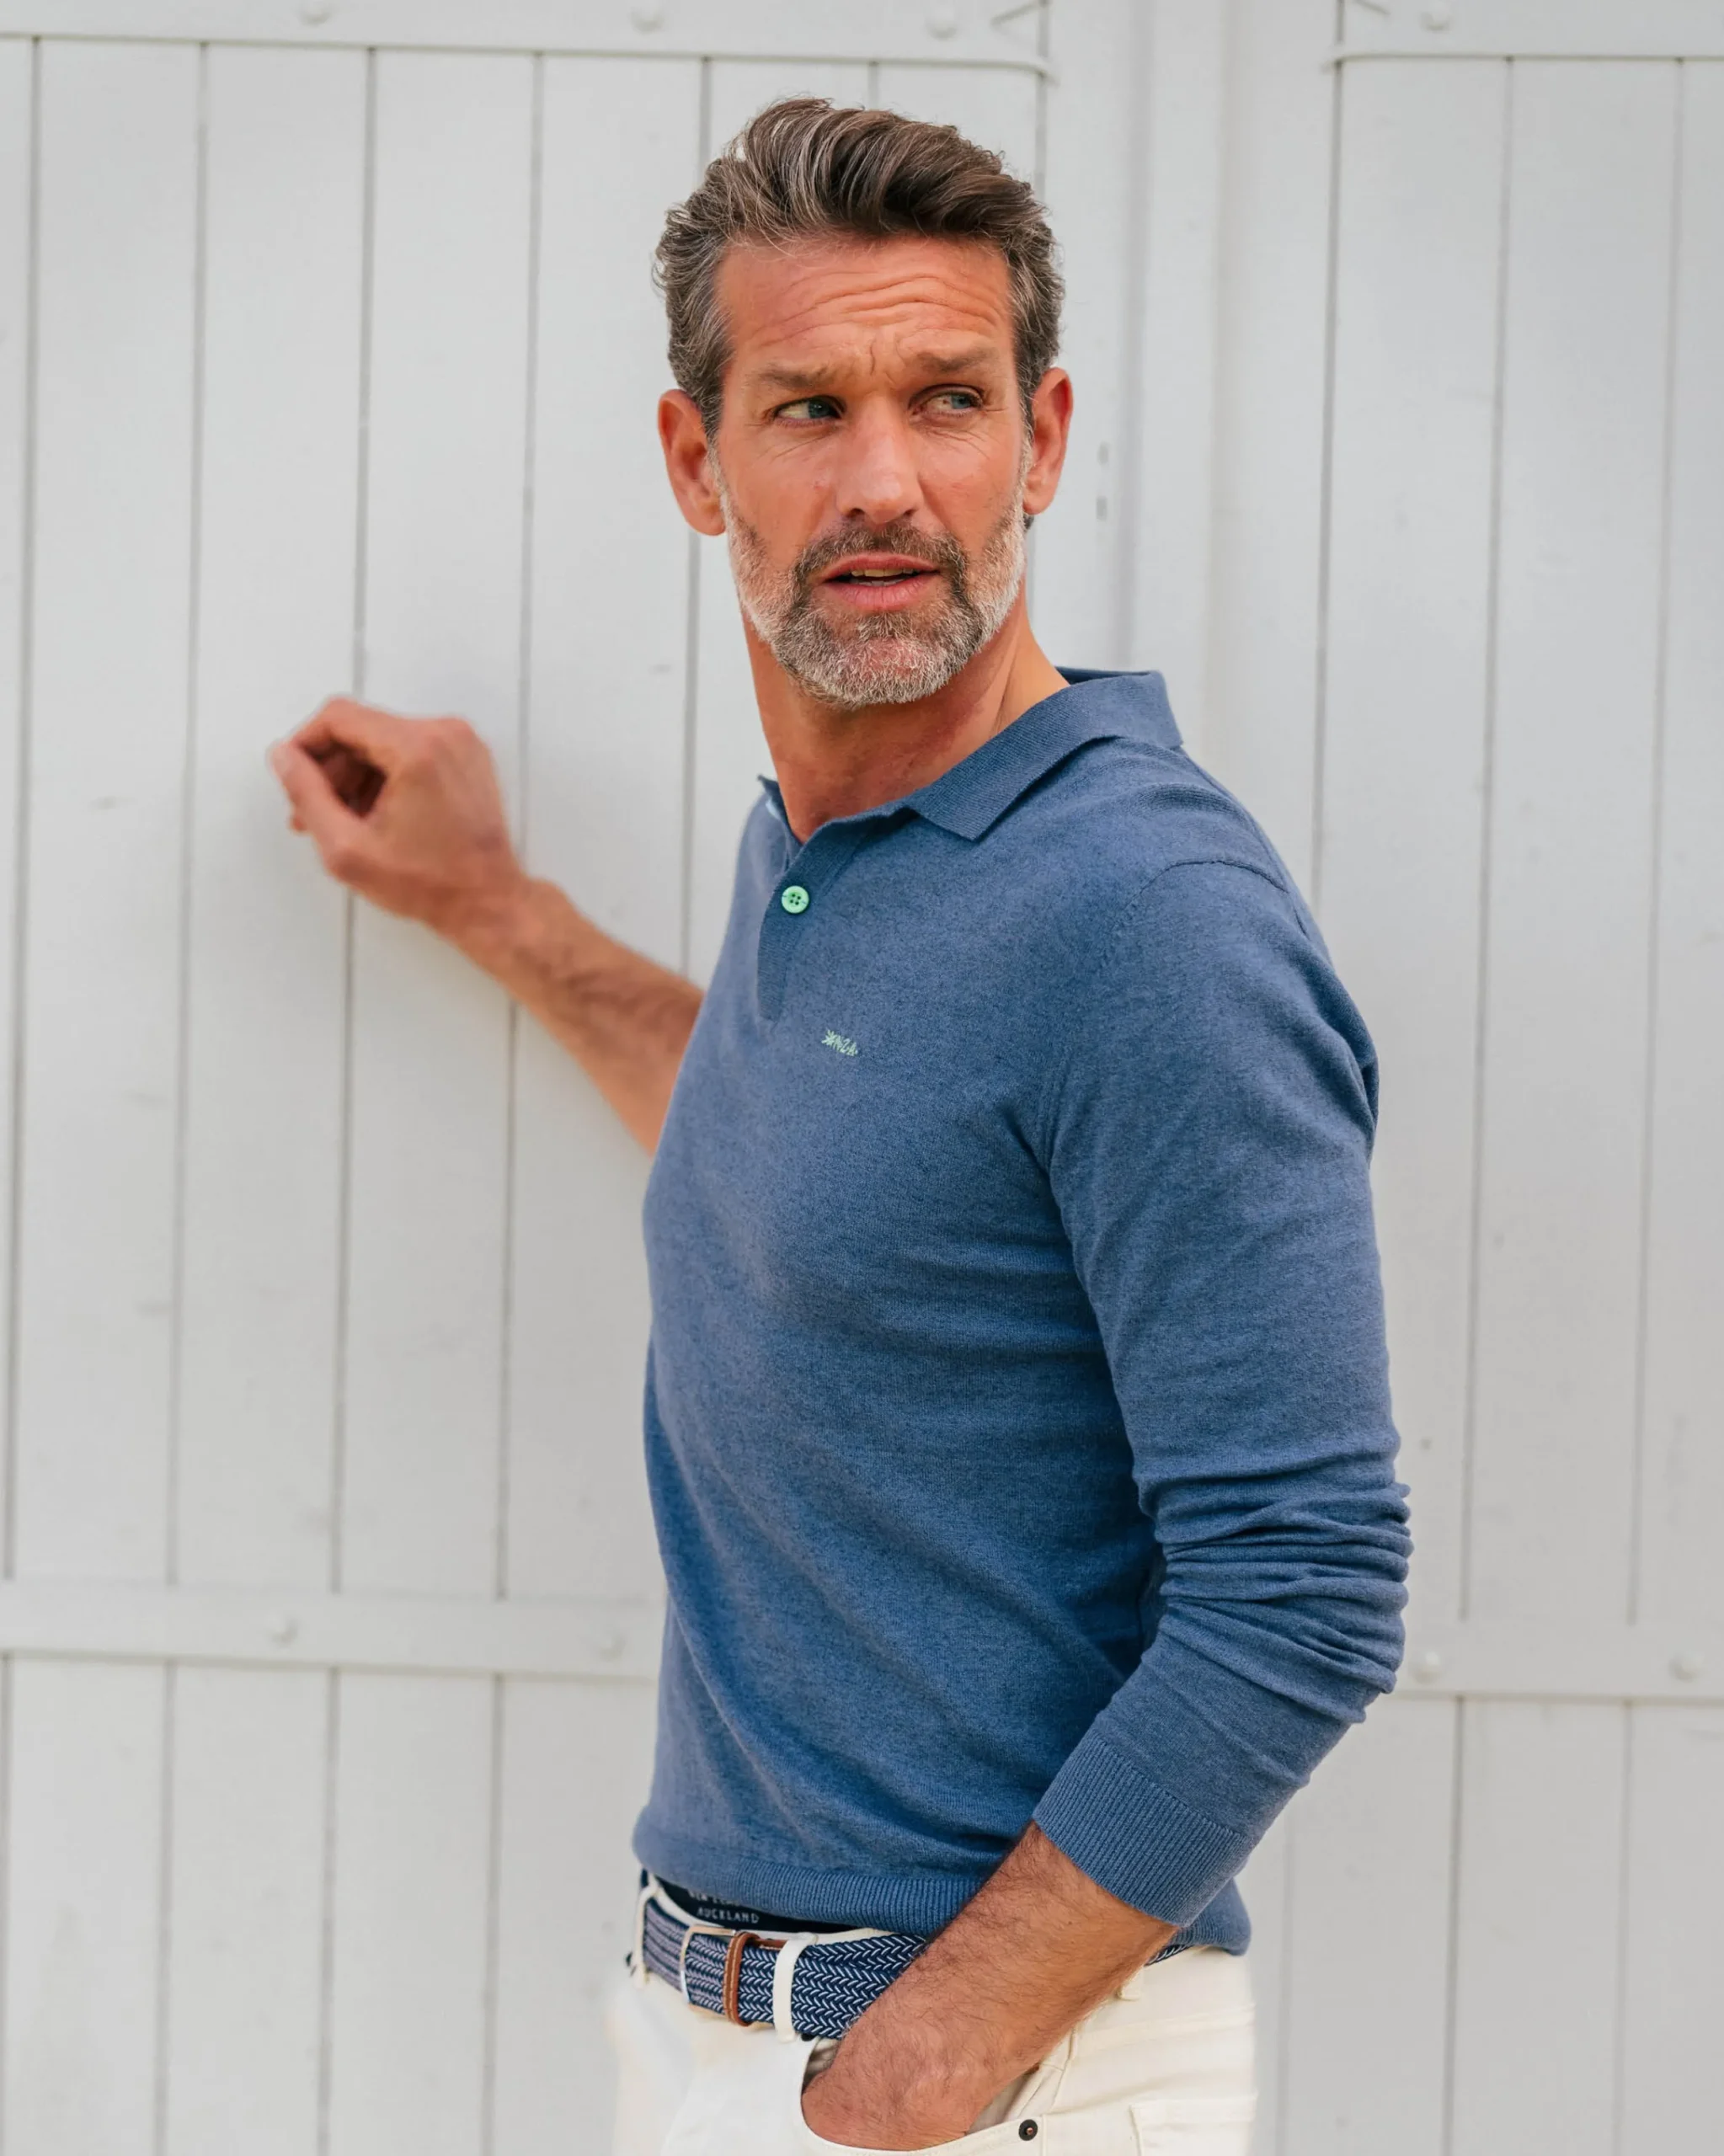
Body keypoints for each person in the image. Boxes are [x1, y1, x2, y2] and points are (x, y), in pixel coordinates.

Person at [271, 99, 1410, 2156]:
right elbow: (808, 1161)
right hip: (714, 2028)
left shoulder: (1148, 917)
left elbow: (1306, 1584)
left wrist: (913, 2068)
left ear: (1040, 439)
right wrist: (494, 908)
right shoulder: (838, 846)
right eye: (809, 408)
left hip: (984, 2078)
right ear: (695, 460)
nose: (885, 480)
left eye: (945, 399)